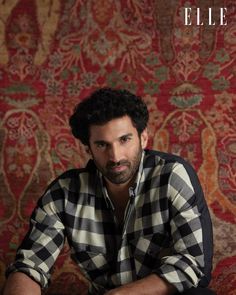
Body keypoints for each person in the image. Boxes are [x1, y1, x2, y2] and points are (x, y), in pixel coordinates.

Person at [3, 88, 215, 295]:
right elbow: (29, 267)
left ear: (143, 138)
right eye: (102, 144)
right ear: (89, 148)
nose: (115, 156)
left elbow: (194, 264)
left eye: (124, 140)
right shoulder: (65, 193)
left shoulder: (171, 176)